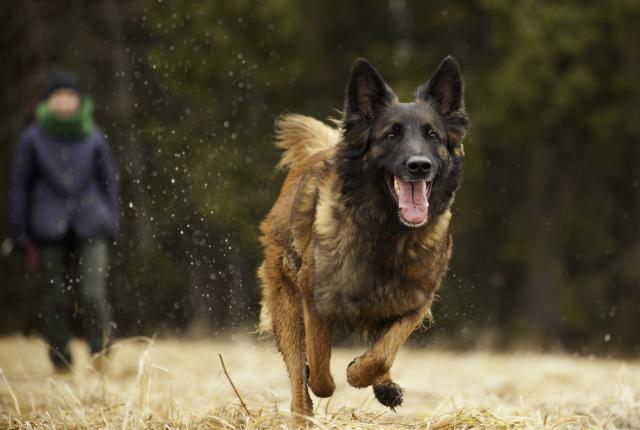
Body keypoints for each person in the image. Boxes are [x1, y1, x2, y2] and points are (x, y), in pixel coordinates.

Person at [9, 68, 120, 372]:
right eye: (59, 96)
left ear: (78, 99)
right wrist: (19, 229)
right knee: (55, 298)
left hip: (92, 221)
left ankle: (101, 354)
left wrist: (113, 221)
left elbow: (109, 182)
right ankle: (60, 359)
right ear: (48, 101)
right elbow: (20, 186)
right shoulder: (32, 139)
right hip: (46, 226)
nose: (65, 102)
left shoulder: (94, 135)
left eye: (69, 96)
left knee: (93, 292)